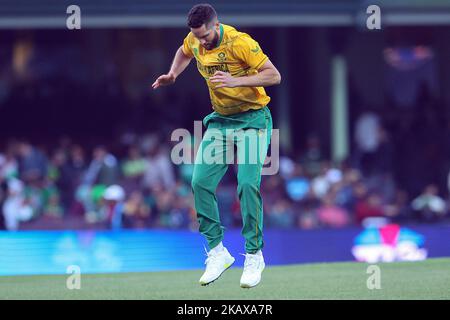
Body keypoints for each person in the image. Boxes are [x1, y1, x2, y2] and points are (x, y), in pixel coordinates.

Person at [152, 3, 281, 288]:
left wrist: (235, 81)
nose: (201, 41)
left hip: (253, 120)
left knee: (247, 184)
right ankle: (216, 251)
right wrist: (174, 73)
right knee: (199, 183)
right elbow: (184, 51)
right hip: (221, 122)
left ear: (216, 25)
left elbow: (274, 76)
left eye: (205, 35)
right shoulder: (194, 39)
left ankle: (253, 255)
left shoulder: (240, 43)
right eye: (196, 36)